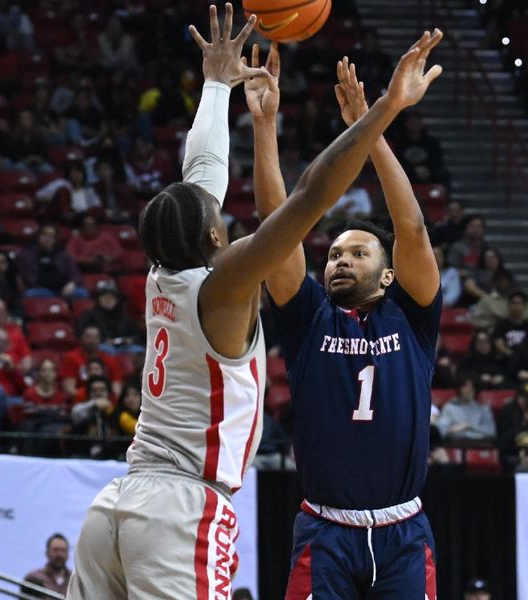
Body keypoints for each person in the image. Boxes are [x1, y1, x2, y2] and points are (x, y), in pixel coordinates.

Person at [68, 6, 438, 599]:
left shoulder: (161, 276)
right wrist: (384, 110)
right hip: (184, 506)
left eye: (358, 253)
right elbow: (308, 198)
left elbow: (203, 171)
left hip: (122, 499)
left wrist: (218, 86)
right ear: (216, 238)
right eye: (219, 217)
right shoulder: (227, 287)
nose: (224, 212)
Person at [251, 32, 444, 599]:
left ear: (387, 275)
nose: (339, 259)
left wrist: (376, 128)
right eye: (333, 253)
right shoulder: (309, 315)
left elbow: (410, 229)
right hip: (325, 530)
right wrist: (265, 127)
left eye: (357, 253)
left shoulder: (412, 317)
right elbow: (276, 230)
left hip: (403, 531)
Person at [436, 375, 497, 442]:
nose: (469, 390)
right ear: (459, 388)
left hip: (479, 445)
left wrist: (469, 426)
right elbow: (442, 431)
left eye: (472, 387)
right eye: (465, 387)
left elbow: (491, 432)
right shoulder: (449, 408)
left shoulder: (483, 409)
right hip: (456, 444)